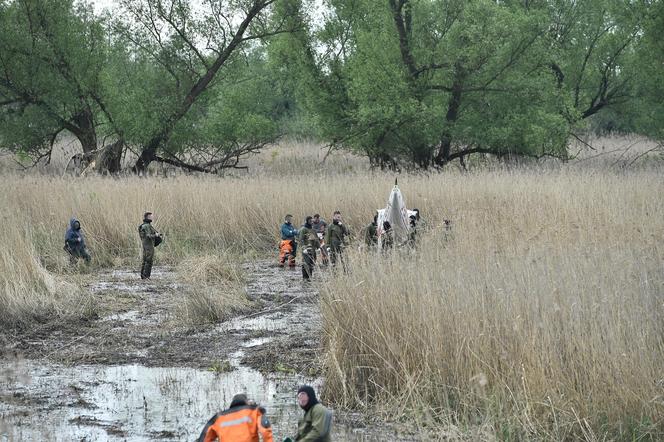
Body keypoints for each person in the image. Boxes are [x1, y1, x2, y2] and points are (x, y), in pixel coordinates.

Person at [197, 393, 273, 442]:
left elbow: (204, 438)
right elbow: (265, 429)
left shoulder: (219, 418)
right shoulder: (253, 411)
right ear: (245, 403)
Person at [139, 212, 162, 279]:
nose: (152, 217)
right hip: (149, 246)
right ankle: (146, 276)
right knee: (149, 261)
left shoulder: (145, 225)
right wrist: (156, 235)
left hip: (146, 245)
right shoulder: (146, 226)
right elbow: (149, 236)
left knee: (145, 260)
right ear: (148, 217)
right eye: (151, 216)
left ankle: (143, 276)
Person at [298, 216, 320, 280]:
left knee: (312, 263)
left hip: (313, 250)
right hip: (306, 250)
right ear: (307, 221)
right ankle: (305, 277)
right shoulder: (303, 229)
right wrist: (303, 248)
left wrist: (318, 248)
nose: (311, 222)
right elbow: (301, 239)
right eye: (310, 221)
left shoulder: (313, 230)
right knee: (306, 263)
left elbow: (316, 239)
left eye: (312, 221)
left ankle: (310, 277)